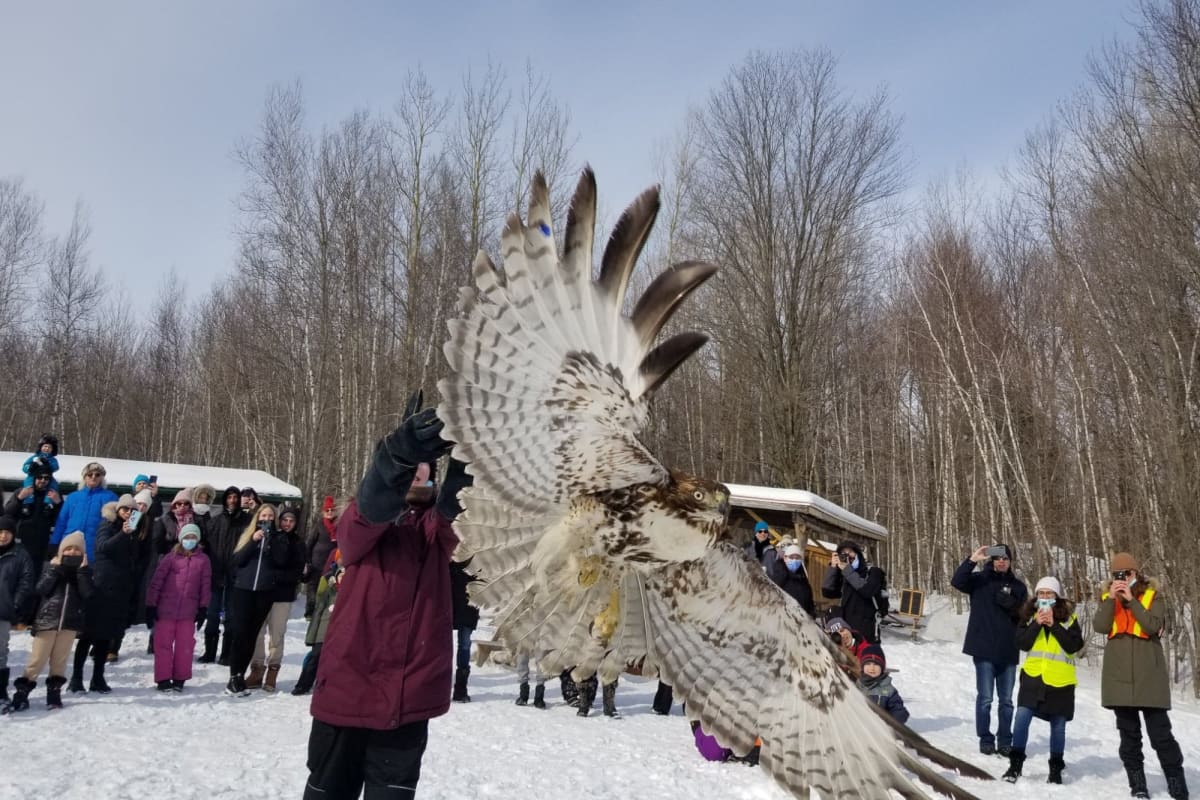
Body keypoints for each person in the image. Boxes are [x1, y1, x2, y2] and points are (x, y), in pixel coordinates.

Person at [304, 391, 471, 800]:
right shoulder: (359, 523)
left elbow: (458, 513)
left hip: (409, 700)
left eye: (426, 470)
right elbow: (374, 502)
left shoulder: (434, 536)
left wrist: (472, 449)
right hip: (348, 693)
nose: (419, 474)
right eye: (412, 470)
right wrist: (399, 453)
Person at [1093, 552, 1188, 800]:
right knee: (1129, 737)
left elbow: (1151, 625)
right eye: (1117, 575)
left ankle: (1177, 785)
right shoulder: (1107, 598)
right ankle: (1138, 786)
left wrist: (1131, 601)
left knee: (1161, 736)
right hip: (1118, 679)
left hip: (1150, 679)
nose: (1123, 578)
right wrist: (1112, 599)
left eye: (1127, 573)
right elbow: (1100, 627)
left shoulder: (1153, 595)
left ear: (1136, 573)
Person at [1002, 576, 1083, 785]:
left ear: (1057, 597)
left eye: (1050, 594)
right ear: (1036, 596)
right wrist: (1037, 624)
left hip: (1060, 681)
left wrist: (1054, 625)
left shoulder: (1069, 619)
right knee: (1021, 719)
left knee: (1058, 726)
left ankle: (1055, 768)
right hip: (1033, 678)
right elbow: (1022, 643)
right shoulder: (1028, 616)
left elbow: (1073, 646)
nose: (1045, 597)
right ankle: (1015, 765)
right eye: (1041, 593)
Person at [951, 542, 1028, 756]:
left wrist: (1011, 604)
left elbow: (1025, 616)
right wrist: (972, 560)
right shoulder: (979, 581)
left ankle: (1005, 740)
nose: (1002, 561)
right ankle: (985, 738)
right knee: (985, 698)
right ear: (992, 561)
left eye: (1005, 558)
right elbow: (956, 581)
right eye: (997, 558)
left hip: (1008, 650)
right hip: (983, 648)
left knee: (1007, 701)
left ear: (1010, 561)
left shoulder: (1019, 587)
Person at [3, 531, 93, 713]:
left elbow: (88, 594)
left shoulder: (84, 572)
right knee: (36, 660)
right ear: (61, 551)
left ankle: (54, 694)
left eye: (77, 550)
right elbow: (40, 589)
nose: (72, 553)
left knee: (59, 661)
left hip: (69, 623)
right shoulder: (51, 567)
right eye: (68, 549)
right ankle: (22, 694)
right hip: (47, 621)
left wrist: (82, 571)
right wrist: (55, 570)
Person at [69, 495, 138, 694]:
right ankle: (76, 677)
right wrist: (123, 534)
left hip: (119, 589)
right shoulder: (106, 525)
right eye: (124, 509)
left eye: (132, 511)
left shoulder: (132, 531)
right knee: (88, 635)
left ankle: (98, 677)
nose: (127, 513)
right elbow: (102, 547)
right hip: (100, 586)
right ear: (117, 510)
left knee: (105, 636)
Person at [226, 504, 288, 696]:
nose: (267, 519)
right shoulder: (248, 534)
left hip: (264, 591)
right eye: (264, 515)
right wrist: (253, 540)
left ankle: (241, 674)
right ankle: (233, 676)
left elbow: (281, 561)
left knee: (252, 635)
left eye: (271, 516)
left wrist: (272, 541)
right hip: (243, 590)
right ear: (258, 517)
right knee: (240, 633)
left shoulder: (279, 538)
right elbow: (237, 560)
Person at [248, 504, 306, 692]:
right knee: (257, 632)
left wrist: (276, 576)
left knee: (277, 635)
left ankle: (272, 672)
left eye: (291, 521)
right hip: (263, 592)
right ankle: (256, 670)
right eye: (285, 520)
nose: (287, 524)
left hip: (282, 595)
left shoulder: (298, 543)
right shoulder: (271, 536)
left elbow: (297, 572)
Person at [146, 523, 210, 692]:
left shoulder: (203, 560)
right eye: (187, 537)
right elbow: (156, 582)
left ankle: (180, 678)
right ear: (181, 539)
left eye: (193, 538)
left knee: (185, 646)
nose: (190, 540)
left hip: (188, 612)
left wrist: (203, 608)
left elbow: (205, 585)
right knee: (163, 645)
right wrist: (151, 604)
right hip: (165, 609)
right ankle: (163, 678)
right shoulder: (171, 557)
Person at [200, 486, 243, 664]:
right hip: (215, 575)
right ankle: (209, 652)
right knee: (212, 615)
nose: (232, 500)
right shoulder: (215, 521)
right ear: (224, 500)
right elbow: (205, 545)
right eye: (229, 497)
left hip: (236, 576)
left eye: (235, 497)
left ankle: (227, 653)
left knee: (232, 617)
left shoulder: (246, 522)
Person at [293, 551, 343, 696]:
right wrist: (332, 586)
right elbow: (320, 600)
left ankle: (331, 684)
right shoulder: (328, 577)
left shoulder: (356, 577)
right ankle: (304, 683)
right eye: (341, 558)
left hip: (342, 622)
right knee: (316, 654)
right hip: (325, 620)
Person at [49, 461, 117, 562]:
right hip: (69, 547)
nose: (93, 477)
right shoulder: (73, 497)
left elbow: (114, 524)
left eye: (97, 475)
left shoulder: (110, 497)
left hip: (95, 547)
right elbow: (62, 522)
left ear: (102, 478)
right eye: (90, 474)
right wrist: (54, 543)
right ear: (84, 477)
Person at [821, 539, 885, 644]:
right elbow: (827, 592)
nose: (847, 556)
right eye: (843, 554)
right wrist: (833, 568)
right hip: (846, 630)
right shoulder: (844, 576)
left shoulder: (873, 572)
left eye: (850, 552)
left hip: (867, 633)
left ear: (858, 554)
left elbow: (868, 591)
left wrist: (847, 570)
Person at [0, 516, 36, 703]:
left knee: (0, 651)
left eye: (7, 532)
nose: (3, 536)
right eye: (0, 532)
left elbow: (26, 581)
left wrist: (15, 603)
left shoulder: (20, 554)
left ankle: (0, 691)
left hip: (4, 610)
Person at [5, 463, 62, 571]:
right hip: (20, 541)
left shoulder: (53, 495)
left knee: (35, 574)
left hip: (41, 543)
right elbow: (7, 513)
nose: (43, 480)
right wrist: (19, 498)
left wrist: (58, 503)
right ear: (34, 477)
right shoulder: (22, 492)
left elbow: (60, 521)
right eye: (39, 477)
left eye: (46, 478)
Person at [450, 556, 479, 702]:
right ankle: (455, 689)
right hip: (451, 608)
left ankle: (460, 689)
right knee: (460, 646)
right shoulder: (450, 560)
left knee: (464, 646)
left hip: (465, 609)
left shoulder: (477, 561)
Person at [305, 496, 338, 619]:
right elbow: (309, 543)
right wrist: (307, 560)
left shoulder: (339, 525)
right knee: (313, 587)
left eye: (332, 510)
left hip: (332, 562)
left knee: (327, 587)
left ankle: (322, 610)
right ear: (323, 511)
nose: (329, 512)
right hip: (316, 561)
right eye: (327, 510)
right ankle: (309, 611)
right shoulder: (319, 525)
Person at [857, 644, 909, 724]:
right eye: (868, 664)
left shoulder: (889, 690)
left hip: (881, 728)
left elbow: (897, 709)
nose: (872, 668)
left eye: (876, 664)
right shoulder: (856, 686)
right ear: (862, 667)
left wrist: (898, 716)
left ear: (882, 668)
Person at [767, 543, 816, 617]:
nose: (795, 560)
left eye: (797, 557)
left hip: (804, 621)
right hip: (785, 621)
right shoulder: (779, 576)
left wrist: (812, 614)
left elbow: (810, 602)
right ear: (785, 558)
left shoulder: (803, 578)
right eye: (792, 557)